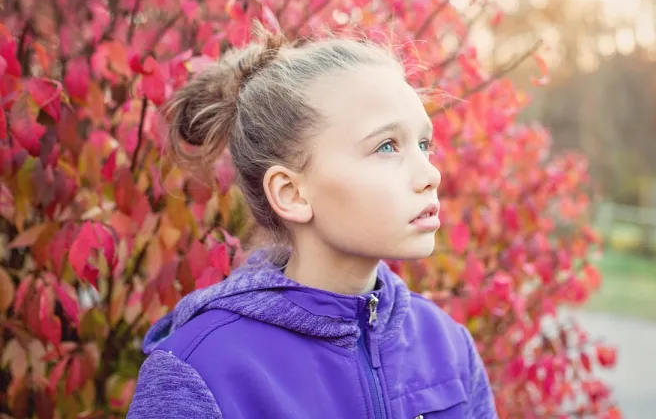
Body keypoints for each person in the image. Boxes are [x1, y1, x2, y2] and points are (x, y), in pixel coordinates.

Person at [127, 30, 497, 419]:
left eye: (424, 145)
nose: (431, 175)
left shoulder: (446, 345)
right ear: (291, 193)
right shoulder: (200, 369)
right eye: (387, 146)